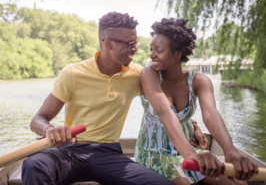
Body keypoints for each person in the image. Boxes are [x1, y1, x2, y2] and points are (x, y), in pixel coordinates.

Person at [22, 12, 206, 185]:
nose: (135, 48)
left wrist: (194, 126)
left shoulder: (137, 74)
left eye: (135, 42)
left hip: (109, 154)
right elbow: (38, 119)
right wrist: (48, 129)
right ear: (108, 44)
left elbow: (164, 107)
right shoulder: (72, 73)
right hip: (71, 152)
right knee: (33, 164)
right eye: (129, 43)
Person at [134, 18, 259, 185]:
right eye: (151, 49)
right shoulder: (149, 73)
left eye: (159, 50)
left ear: (177, 53)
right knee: (183, 182)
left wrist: (231, 151)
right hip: (153, 152)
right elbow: (165, 111)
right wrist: (190, 155)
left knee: (236, 183)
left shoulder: (199, 80)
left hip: (187, 149)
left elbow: (210, 114)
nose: (152, 54)